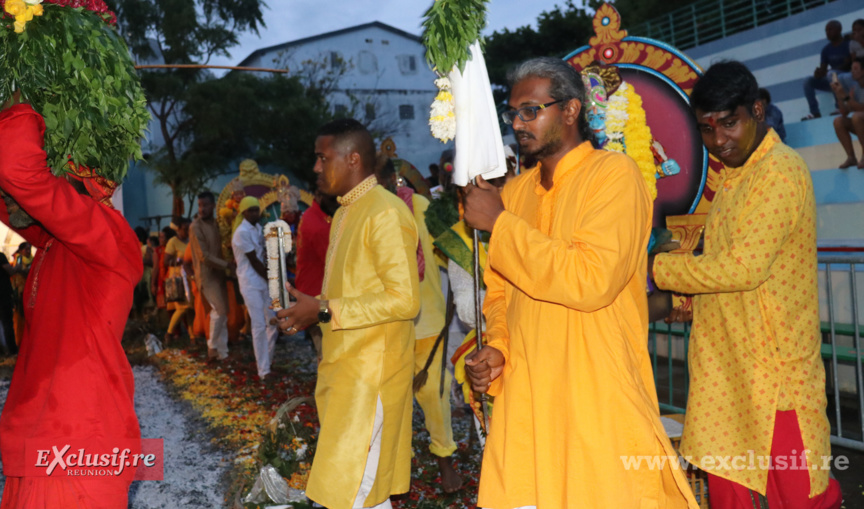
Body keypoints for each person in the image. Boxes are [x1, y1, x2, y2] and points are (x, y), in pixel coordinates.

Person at [461, 57, 697, 508]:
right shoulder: (514, 194)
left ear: (570, 111)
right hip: (529, 398)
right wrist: (499, 349)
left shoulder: (614, 175)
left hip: (595, 394)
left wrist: (502, 226)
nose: (518, 123)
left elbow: (591, 280)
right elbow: (501, 294)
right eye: (513, 113)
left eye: (532, 110)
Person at [651, 61, 842, 508]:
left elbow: (741, 269)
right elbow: (726, 274)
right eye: (707, 129)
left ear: (756, 110)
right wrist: (686, 300)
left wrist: (659, 269)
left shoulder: (778, 171)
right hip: (727, 372)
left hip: (774, 377)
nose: (719, 141)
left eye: (730, 124)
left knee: (801, 498)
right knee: (730, 495)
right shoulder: (735, 178)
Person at [0, 101, 143, 506]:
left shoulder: (105, 235)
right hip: (41, 436)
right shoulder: (55, 245)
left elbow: (18, 170)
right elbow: (13, 202)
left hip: (77, 439)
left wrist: (21, 101)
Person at [274, 118, 420, 509]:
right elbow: (349, 291)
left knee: (354, 491)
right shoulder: (344, 213)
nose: (316, 168)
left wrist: (322, 309)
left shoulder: (384, 213)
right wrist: (310, 309)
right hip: (345, 371)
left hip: (371, 378)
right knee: (359, 493)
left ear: (353, 159)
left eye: (323, 158)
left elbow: (406, 300)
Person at [376, 157, 462, 493]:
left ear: (392, 181)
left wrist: (454, 303)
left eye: (382, 183)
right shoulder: (370, 213)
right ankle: (393, 470)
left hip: (427, 322)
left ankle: (445, 463)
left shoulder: (422, 206)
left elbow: (454, 254)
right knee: (390, 399)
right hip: (387, 325)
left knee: (434, 396)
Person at [231, 196, 279, 378]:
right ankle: (264, 371)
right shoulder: (241, 232)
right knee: (259, 326)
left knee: (273, 324)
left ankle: (266, 361)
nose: (254, 213)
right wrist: (273, 277)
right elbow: (254, 261)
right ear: (243, 212)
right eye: (250, 210)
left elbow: (264, 254)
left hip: (263, 282)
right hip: (250, 283)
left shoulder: (258, 228)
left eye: (256, 210)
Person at [294, 188, 339, 361]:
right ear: (319, 196)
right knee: (327, 355)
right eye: (332, 198)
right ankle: (327, 387)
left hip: (313, 291)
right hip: (317, 295)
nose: (337, 202)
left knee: (326, 351)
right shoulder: (317, 225)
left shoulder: (314, 215)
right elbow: (334, 263)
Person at [190, 191, 233, 361]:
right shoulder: (196, 227)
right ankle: (212, 346)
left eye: (205, 205)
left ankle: (223, 353)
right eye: (200, 205)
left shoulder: (217, 224)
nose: (202, 209)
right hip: (206, 275)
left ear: (213, 206)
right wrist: (227, 265)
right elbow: (204, 256)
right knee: (220, 310)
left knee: (223, 312)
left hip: (220, 274)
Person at [802, 20, 851, 120]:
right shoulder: (826, 49)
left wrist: (830, 71)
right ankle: (814, 112)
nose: (828, 32)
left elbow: (849, 64)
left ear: (839, 30)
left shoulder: (848, 44)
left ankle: (839, 107)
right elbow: (824, 69)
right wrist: (819, 73)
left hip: (847, 78)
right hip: (832, 79)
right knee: (808, 80)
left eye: (830, 29)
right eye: (826, 30)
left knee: (832, 74)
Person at [831, 56, 864, 169]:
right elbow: (844, 112)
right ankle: (851, 157)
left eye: (855, 69)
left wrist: (845, 97)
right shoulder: (855, 88)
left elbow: (861, 109)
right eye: (851, 69)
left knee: (857, 117)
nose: (852, 72)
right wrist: (838, 94)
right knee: (838, 121)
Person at [164, 217, 192, 343]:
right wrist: (179, 261)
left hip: (190, 277)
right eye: (185, 229)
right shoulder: (173, 242)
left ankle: (193, 337)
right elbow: (166, 261)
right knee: (182, 308)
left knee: (190, 308)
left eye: (189, 229)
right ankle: (169, 333)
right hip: (178, 280)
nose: (187, 232)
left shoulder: (190, 240)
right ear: (178, 229)